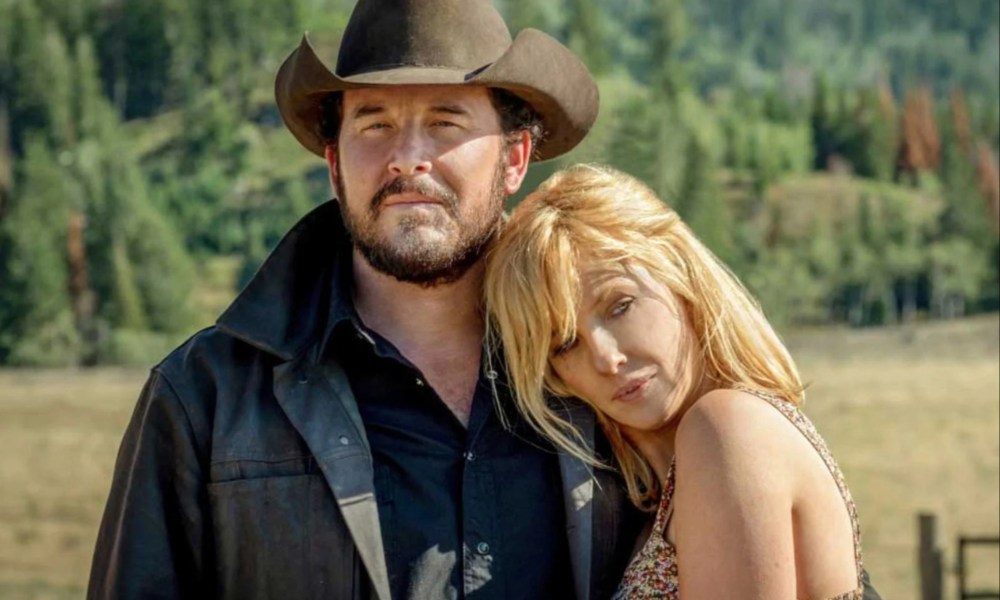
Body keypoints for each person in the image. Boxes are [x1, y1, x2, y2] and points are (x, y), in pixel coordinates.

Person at [87, 2, 643, 599]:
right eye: (374, 124)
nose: (407, 156)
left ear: (514, 160)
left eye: (445, 122)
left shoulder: (608, 374)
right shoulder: (204, 397)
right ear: (334, 165)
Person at [484, 164, 883, 599]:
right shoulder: (658, 501)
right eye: (564, 344)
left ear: (680, 272)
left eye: (621, 306)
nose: (606, 358)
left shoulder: (728, 428)